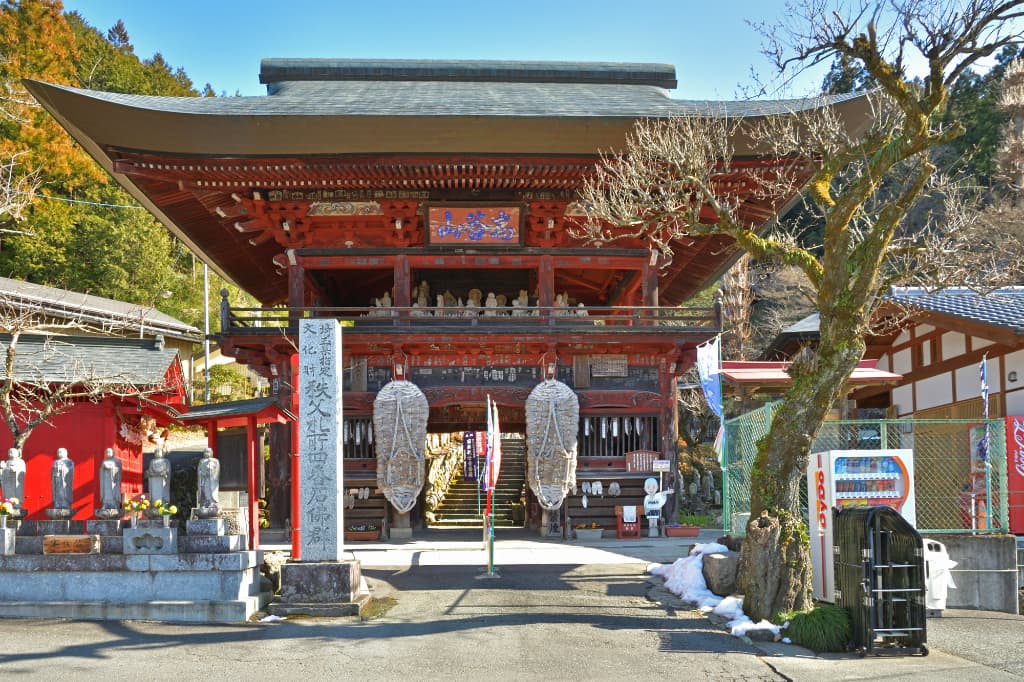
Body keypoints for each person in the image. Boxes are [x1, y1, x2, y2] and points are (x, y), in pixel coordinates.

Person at [196, 448, 220, 515]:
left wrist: (211, 472)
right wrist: (203, 473)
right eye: (205, 452)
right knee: (204, 491)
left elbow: (217, 472)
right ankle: (204, 503)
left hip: (212, 481)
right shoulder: (202, 461)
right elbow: (199, 471)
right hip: (204, 480)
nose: (207, 453)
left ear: (211, 453)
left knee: (211, 491)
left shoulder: (215, 461)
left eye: (208, 452)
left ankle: (212, 503)